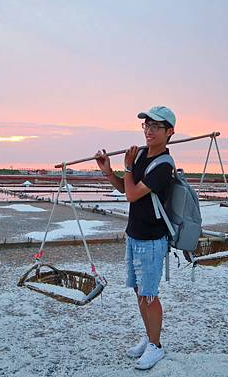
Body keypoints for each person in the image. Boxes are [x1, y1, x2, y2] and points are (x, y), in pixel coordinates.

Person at [95, 106, 176, 370]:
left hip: (152, 239)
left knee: (150, 295)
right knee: (140, 292)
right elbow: (125, 188)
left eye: (156, 127)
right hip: (134, 234)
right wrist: (109, 171)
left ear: (169, 133)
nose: (149, 131)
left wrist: (128, 167)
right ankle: (149, 337)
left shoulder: (164, 166)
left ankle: (156, 346)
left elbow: (131, 194)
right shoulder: (140, 154)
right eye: (147, 125)